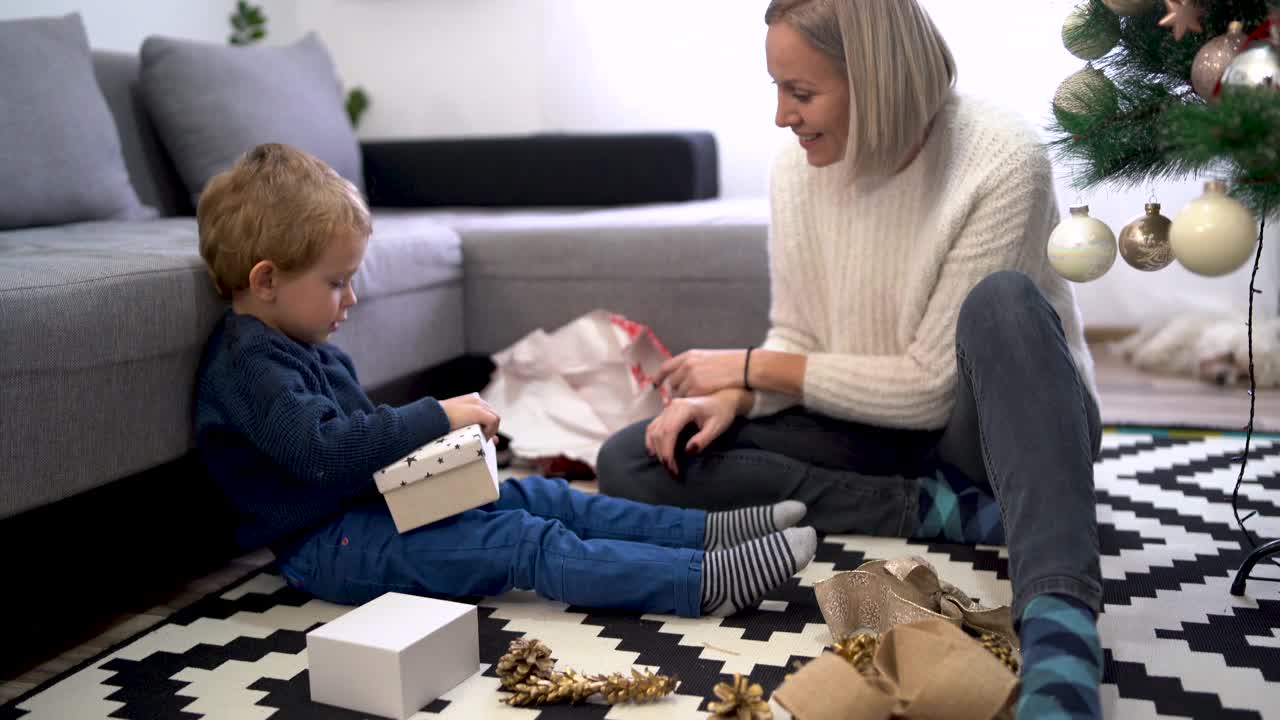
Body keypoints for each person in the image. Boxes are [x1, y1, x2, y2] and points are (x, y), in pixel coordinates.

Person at [595, 1, 1104, 716]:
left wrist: (748, 369)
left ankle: (1062, 632)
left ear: (878, 80)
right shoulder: (795, 170)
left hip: (993, 428)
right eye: (777, 89)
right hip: (872, 432)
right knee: (635, 460)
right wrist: (733, 398)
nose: (781, 116)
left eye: (800, 93)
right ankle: (934, 512)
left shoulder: (1002, 158)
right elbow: (796, 336)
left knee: (1006, 303)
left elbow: (932, 387)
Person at [192, 143, 818, 620]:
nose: (351, 298)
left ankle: (703, 534)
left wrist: (444, 455)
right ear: (266, 279)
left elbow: (361, 443)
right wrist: (438, 417)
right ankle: (698, 583)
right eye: (335, 282)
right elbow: (326, 451)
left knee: (534, 496)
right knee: (520, 541)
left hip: (370, 510)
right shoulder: (250, 366)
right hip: (329, 547)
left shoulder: (302, 346)